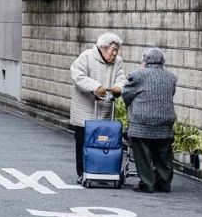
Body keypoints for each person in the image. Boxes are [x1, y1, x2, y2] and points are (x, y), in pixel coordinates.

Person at [69, 32, 126, 183]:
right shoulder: (86, 56)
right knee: (83, 141)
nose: (114, 53)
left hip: (105, 108)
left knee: (103, 142)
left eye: (116, 50)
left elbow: (121, 78)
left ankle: (103, 170)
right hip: (85, 109)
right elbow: (77, 76)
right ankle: (82, 171)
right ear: (103, 47)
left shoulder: (118, 61)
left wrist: (118, 87)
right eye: (112, 49)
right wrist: (95, 86)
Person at [122, 47, 177, 193]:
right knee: (163, 154)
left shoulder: (137, 75)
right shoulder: (171, 77)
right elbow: (171, 93)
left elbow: (126, 95)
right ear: (162, 62)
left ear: (145, 61)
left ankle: (148, 183)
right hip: (165, 121)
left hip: (142, 122)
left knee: (142, 154)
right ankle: (164, 183)